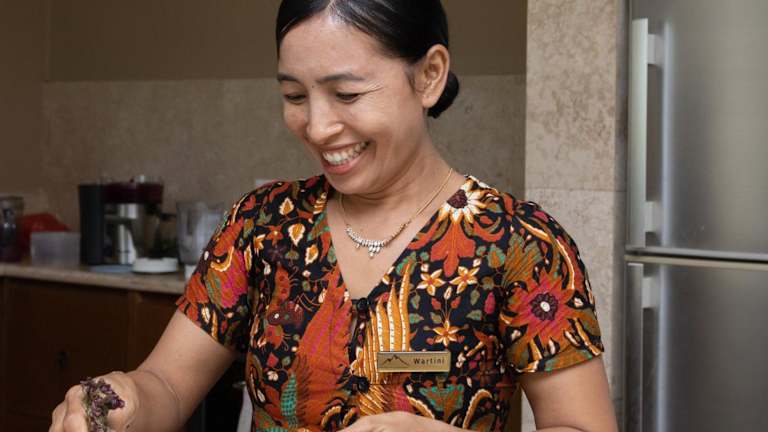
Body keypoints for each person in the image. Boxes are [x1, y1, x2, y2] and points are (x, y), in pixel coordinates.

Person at [51, 1, 618, 431]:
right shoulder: (261, 225)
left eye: (346, 95)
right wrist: (123, 400)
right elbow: (168, 385)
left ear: (429, 75)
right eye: (295, 96)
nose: (318, 128)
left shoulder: (520, 243)